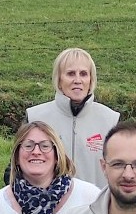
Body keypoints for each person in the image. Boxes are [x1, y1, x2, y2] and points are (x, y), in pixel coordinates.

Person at [25, 48, 119, 187]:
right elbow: (16, 169)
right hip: (48, 207)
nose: (78, 80)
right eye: (70, 74)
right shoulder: (35, 118)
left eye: (83, 74)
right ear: (59, 79)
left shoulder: (110, 120)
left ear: (91, 79)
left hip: (96, 206)